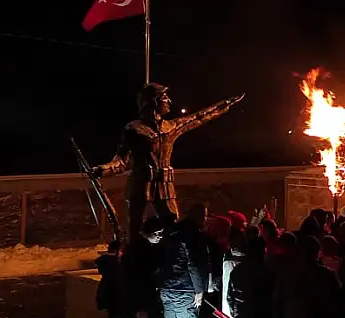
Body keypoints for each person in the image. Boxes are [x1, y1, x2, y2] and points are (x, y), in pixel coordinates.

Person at [91, 83, 244, 238]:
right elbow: (121, 161)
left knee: (173, 226)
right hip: (140, 184)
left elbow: (199, 117)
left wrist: (226, 104)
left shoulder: (169, 127)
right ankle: (133, 255)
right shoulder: (134, 129)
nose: (169, 101)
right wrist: (102, 170)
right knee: (134, 229)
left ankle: (169, 254)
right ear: (153, 101)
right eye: (164, 98)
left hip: (165, 185)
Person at [158, 204, 210, 318]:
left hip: (167, 288)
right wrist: (199, 289)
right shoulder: (192, 234)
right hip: (185, 288)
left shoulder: (171, 232)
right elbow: (194, 263)